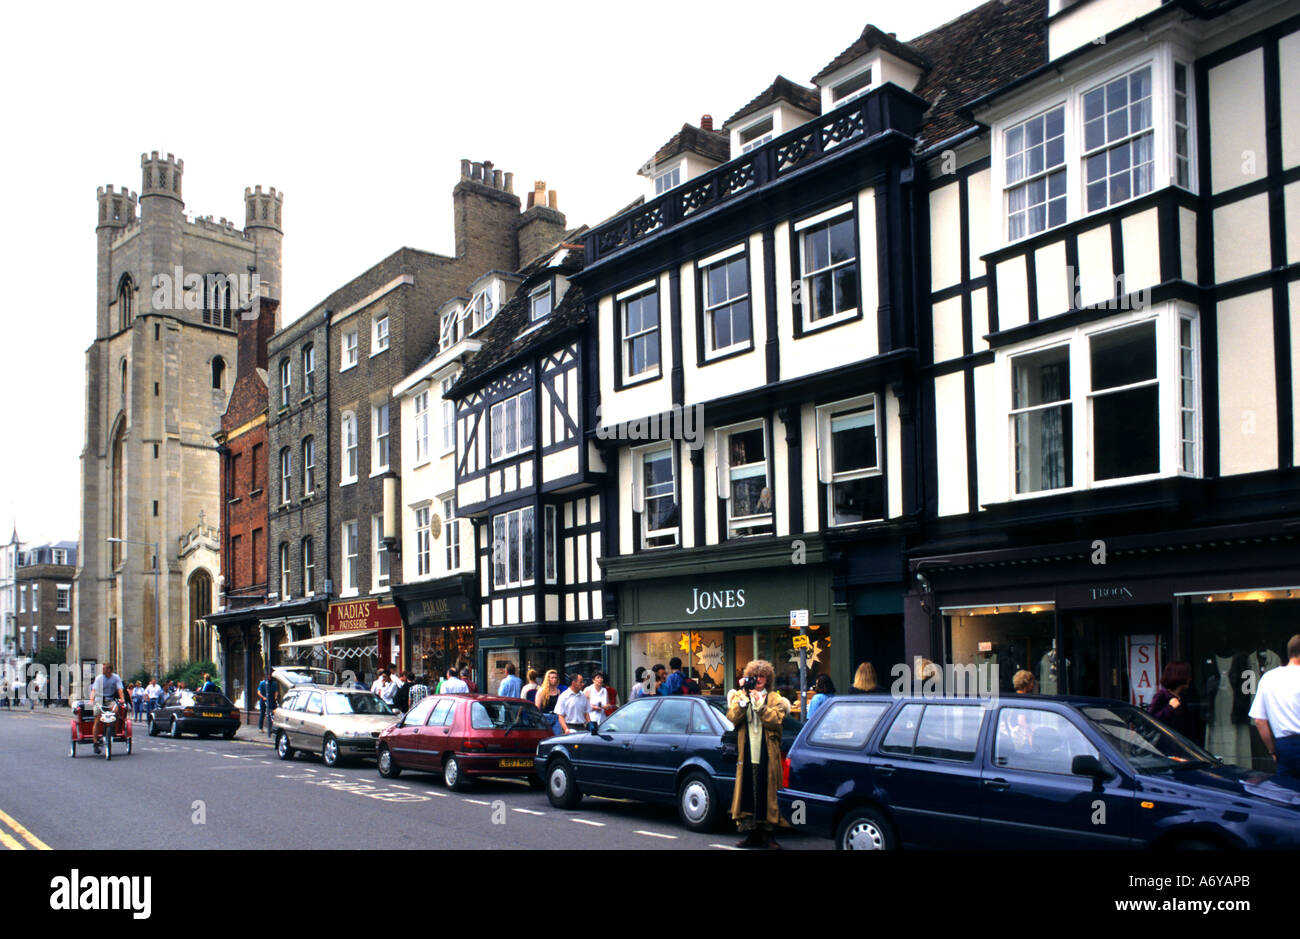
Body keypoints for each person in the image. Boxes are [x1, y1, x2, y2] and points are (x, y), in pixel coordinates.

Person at [726, 660, 791, 848]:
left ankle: (769, 835)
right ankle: (752, 834)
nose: (759, 679)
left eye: (763, 676)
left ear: (768, 679)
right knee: (749, 793)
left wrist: (760, 705)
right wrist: (745, 699)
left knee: (768, 794)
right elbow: (732, 718)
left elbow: (775, 721)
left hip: (768, 755)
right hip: (747, 754)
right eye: (755, 676)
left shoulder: (774, 699)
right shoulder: (740, 696)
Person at [1249, 634, 1300, 778]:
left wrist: (1272, 750)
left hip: (1284, 745)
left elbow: (1259, 720)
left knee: (1285, 793)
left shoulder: (1268, 678)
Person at [1149, 661, 1196, 739]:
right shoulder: (1162, 696)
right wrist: (1169, 708)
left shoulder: (1182, 697)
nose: (1190, 679)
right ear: (1179, 676)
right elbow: (1151, 720)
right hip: (1167, 744)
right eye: (1187, 675)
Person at [89, 662, 127, 755]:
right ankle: (95, 743)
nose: (102, 670)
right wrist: (91, 699)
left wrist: (122, 699)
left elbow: (120, 689)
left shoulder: (116, 677)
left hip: (110, 699)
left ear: (109, 670)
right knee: (97, 719)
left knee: (115, 710)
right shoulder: (99, 678)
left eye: (104, 668)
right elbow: (94, 690)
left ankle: (111, 728)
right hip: (99, 698)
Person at [534, 669, 562, 734]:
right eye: (552, 678)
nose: (554, 679)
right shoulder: (541, 691)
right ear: (548, 679)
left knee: (556, 737)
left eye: (555, 678)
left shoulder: (558, 691)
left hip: (556, 717)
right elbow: (537, 707)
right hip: (545, 717)